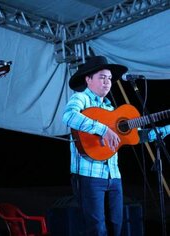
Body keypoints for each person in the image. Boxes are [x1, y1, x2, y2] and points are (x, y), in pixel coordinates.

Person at [62, 56, 170, 235]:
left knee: (116, 225)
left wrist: (167, 129)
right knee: (97, 228)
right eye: (102, 77)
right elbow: (68, 116)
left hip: (114, 175)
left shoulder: (112, 110)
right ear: (88, 79)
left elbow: (140, 136)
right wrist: (102, 130)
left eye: (110, 78)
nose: (107, 82)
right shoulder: (80, 98)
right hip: (89, 176)